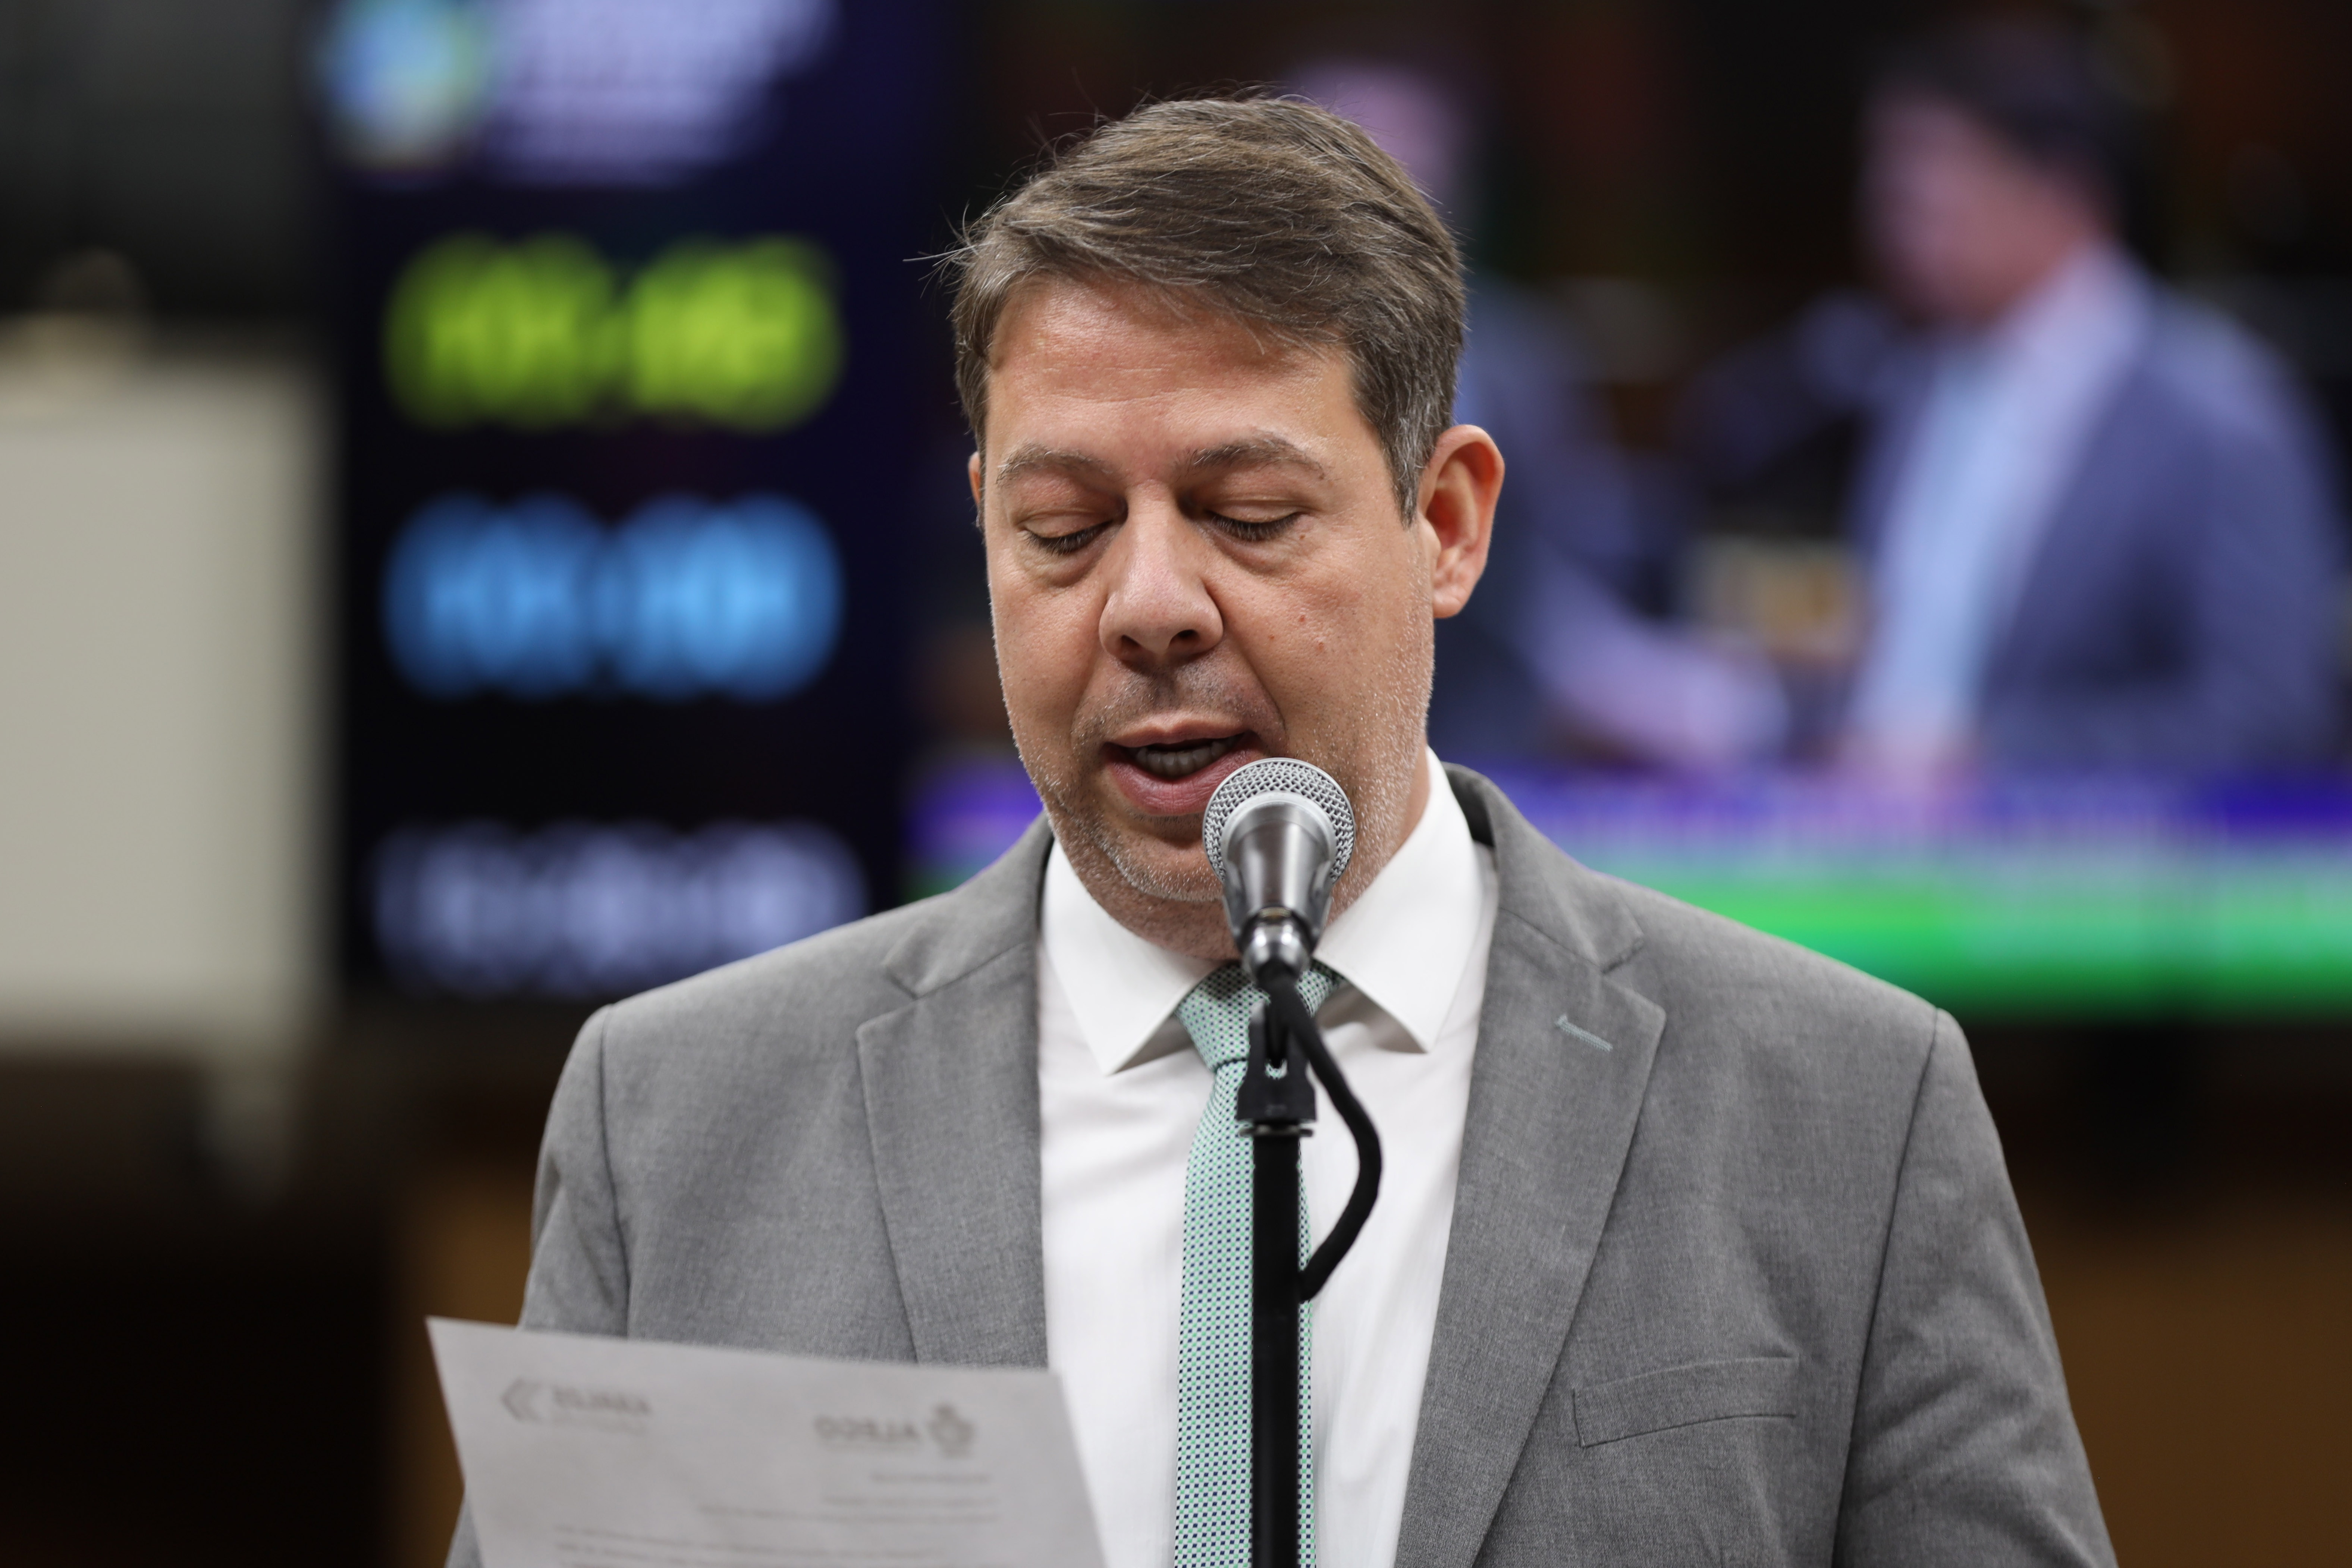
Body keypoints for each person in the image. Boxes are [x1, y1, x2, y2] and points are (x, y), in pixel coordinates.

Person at [450, 98, 2110, 1567]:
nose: (1148, 604)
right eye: (1061, 530)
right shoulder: (676, 1123)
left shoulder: (1846, 1112)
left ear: (1443, 521)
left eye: (1245, 516)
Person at [1683, 18, 2342, 777]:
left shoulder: (2220, 418)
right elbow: (1909, 679)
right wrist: (1755, 711)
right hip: (1865, 833)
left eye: (1928, 179)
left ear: (2060, 192)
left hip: (2084, 849)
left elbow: (2268, 716)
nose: (1892, 218)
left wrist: (1990, 756)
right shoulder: (1918, 382)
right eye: (1885, 181)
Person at [1290, 55, 1788, 770]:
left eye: (1426, 167)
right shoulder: (1222, 360)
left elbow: (1552, 576)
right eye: (1369, 165)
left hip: (1489, 746)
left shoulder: (1514, 355)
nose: (1405, 196)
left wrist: (1630, 676)